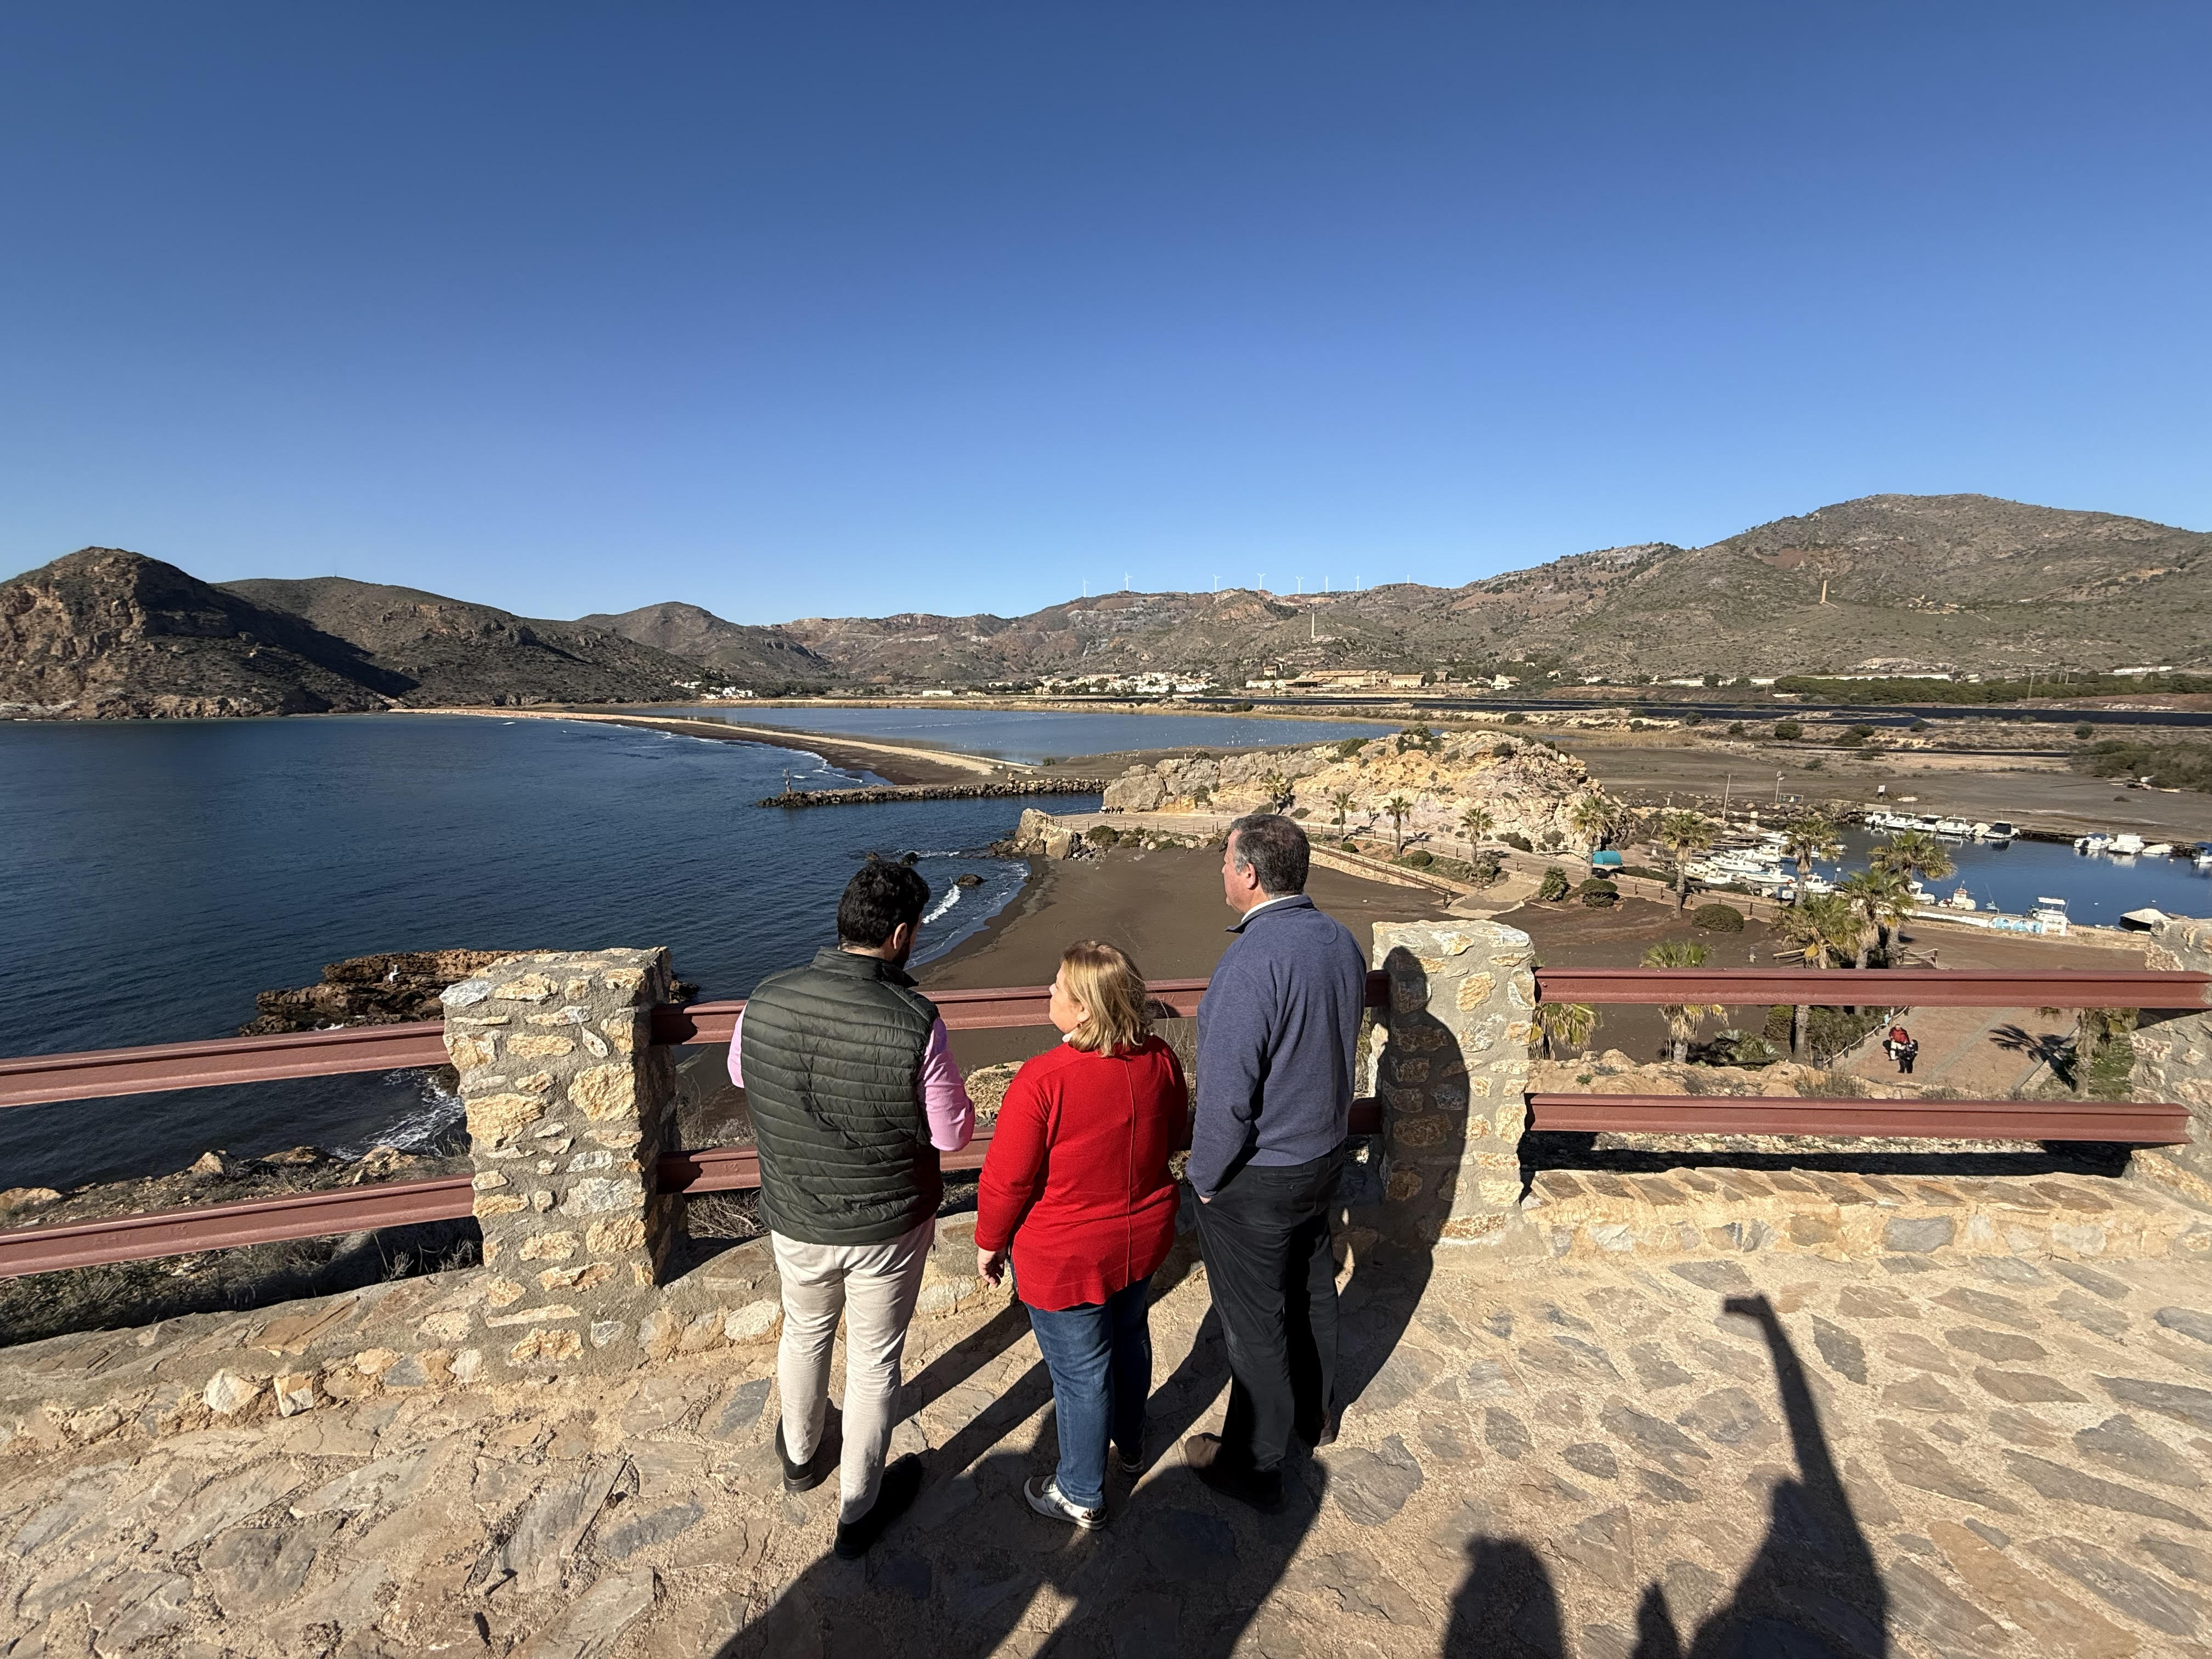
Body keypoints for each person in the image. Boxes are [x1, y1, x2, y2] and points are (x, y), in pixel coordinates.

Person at [730, 859, 975, 1559]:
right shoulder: (915, 1021)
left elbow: (740, 1074)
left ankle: (802, 1458)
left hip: (796, 1211)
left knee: (804, 1330)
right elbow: (953, 1134)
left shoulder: (766, 996)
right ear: (901, 935)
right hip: (888, 1224)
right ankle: (859, 1511)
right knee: (873, 1361)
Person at [1182, 812, 1367, 1509]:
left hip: (1259, 1176)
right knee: (1311, 1289)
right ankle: (1314, 1419)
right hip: (1323, 1155)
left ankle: (1256, 1467)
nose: (1221, 873)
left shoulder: (1250, 962)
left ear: (1249, 874)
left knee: (1255, 1323)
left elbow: (1229, 1093)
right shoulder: (1340, 942)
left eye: (1225, 862)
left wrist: (1203, 1179)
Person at [973, 941, 1188, 1529]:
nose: (1048, 993)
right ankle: (1133, 1443)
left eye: (1058, 987)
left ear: (1086, 1009)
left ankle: (1080, 1492)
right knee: (1129, 1337)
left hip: (1064, 1256)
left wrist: (989, 1242)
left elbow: (1006, 1179)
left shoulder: (1044, 1080)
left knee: (1080, 1374)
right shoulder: (1160, 1060)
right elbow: (1173, 1136)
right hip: (1141, 1239)